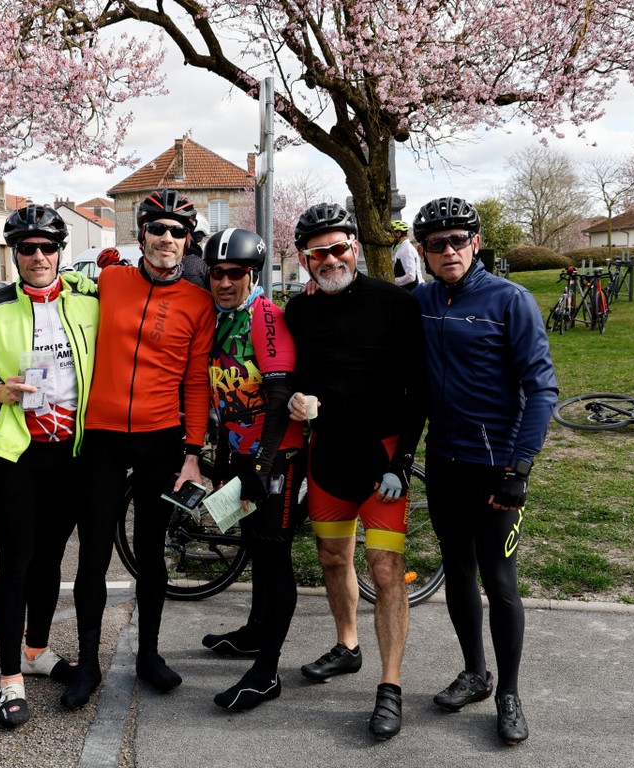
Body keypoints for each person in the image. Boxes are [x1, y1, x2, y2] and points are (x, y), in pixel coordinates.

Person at [411, 197, 557, 746]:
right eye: (436, 243)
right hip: (444, 463)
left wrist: (520, 468)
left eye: (458, 240)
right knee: (457, 570)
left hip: (496, 468)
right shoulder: (421, 300)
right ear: (423, 252)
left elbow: (542, 388)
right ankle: (475, 673)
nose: (448, 250)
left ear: (475, 243)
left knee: (499, 580)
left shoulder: (510, 300)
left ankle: (509, 694)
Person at [64, 188, 214, 709]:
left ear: (187, 242)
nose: (167, 238)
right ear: (142, 234)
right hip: (102, 436)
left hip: (160, 438)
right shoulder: (110, 281)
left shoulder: (199, 302)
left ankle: (148, 654)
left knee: (151, 551)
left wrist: (192, 453)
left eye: (177, 231)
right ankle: (87, 663)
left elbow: (197, 382)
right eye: (158, 228)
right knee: (94, 552)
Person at [284, 202, 426, 740]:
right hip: (329, 458)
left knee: (385, 570)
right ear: (305, 259)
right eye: (317, 253)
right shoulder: (299, 310)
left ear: (356, 248)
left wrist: (403, 460)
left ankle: (390, 686)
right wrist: (295, 399)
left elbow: (419, 390)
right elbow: (294, 376)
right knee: (331, 557)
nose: (330, 259)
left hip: (382, 458)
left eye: (339, 248)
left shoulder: (395, 304)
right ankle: (347, 646)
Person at [0, 204, 99, 728]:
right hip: (16, 455)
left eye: (48, 247)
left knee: (51, 559)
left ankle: (36, 651)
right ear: (15, 254)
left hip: (71, 452)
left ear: (60, 252)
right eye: (27, 248)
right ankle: (9, 679)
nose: (39, 256)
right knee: (16, 563)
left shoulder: (88, 301)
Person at [198, 227, 307, 711]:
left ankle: (266, 673)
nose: (224, 282)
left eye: (235, 273)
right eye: (216, 273)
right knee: (257, 549)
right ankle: (254, 633)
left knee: (274, 554)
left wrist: (262, 466)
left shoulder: (265, 318)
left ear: (252, 274)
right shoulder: (223, 319)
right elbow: (226, 400)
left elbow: (280, 398)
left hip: (277, 455)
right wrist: (226, 462)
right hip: (244, 453)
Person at [389, 220, 424, 291]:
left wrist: (392, 281)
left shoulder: (406, 250)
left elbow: (411, 276)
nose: (389, 237)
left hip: (415, 291)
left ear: (398, 233)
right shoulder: (403, 248)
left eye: (391, 233)